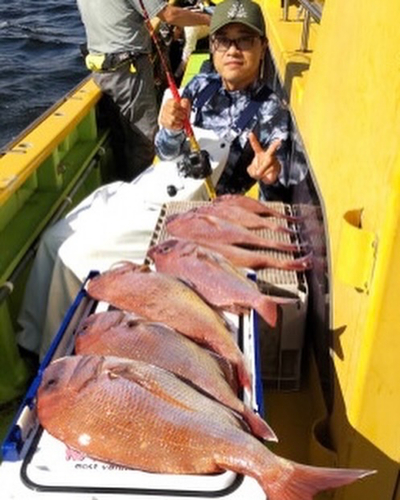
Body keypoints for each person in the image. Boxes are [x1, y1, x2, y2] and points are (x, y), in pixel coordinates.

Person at [17, 0, 294, 360]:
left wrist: (268, 178)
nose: (232, 50)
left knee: (74, 253)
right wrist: (169, 127)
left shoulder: (271, 110)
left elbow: (276, 194)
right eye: (223, 40)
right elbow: (166, 151)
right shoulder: (201, 84)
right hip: (154, 183)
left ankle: (59, 358)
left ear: (262, 47)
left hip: (189, 213)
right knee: (54, 240)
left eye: (244, 40)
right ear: (212, 46)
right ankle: (33, 342)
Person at [77, 0, 211, 181]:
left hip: (101, 71)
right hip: (129, 71)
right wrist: (210, 19)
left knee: (121, 138)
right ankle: (144, 193)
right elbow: (169, 15)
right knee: (145, 142)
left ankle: (125, 182)